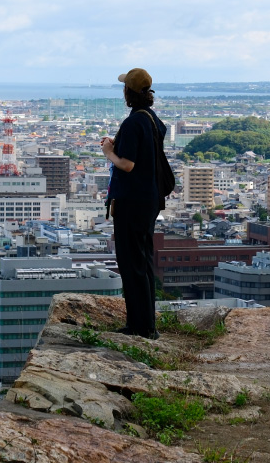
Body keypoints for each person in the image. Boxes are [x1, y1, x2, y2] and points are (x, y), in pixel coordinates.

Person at [101, 68, 166, 339]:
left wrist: (108, 152)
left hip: (132, 202)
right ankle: (145, 324)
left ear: (127, 92)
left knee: (131, 264)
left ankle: (140, 327)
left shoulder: (132, 123)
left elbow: (127, 164)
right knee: (143, 261)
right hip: (149, 199)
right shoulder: (152, 120)